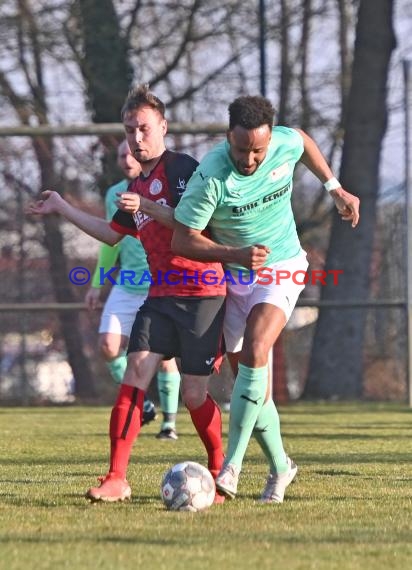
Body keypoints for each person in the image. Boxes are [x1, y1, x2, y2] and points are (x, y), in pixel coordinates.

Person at [27, 84, 226, 504]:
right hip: (160, 294)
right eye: (130, 130)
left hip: (204, 293)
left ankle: (218, 471)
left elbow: (201, 229)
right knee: (136, 369)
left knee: (194, 394)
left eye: (144, 128)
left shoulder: (182, 169)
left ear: (163, 127)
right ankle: (117, 477)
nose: (137, 138)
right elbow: (110, 234)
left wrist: (149, 208)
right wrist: (62, 207)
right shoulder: (137, 184)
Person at [172, 94, 360, 503]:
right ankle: (280, 467)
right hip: (236, 276)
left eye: (258, 149)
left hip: (284, 266)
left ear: (270, 139)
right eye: (242, 149)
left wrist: (335, 188)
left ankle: (232, 466)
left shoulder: (284, 143)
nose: (251, 159)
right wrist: (233, 255)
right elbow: (182, 238)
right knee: (251, 388)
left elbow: (305, 142)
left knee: (258, 349)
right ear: (229, 138)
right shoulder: (211, 177)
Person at [85, 140, 181, 438]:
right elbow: (110, 242)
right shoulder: (114, 193)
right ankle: (146, 405)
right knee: (108, 346)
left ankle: (169, 423)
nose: (126, 158)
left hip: (160, 282)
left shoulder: (162, 187)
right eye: (120, 155)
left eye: (130, 153)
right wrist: (96, 283)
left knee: (164, 357)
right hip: (127, 284)